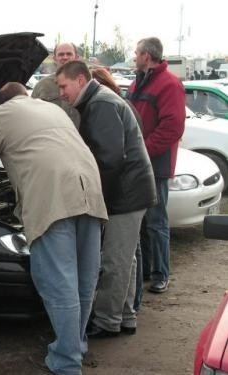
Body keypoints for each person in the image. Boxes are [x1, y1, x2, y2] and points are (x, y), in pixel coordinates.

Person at [0, 81, 107, 374]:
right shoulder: (52, 109)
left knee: (59, 283)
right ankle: (77, 343)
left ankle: (66, 362)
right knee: (84, 279)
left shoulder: (1, 115)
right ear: (26, 94)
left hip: (52, 196)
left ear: (2, 102)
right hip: (91, 191)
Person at [56, 61, 157, 338]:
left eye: (63, 86)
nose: (61, 92)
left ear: (79, 80)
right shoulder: (99, 100)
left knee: (115, 261)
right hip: (131, 190)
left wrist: (94, 198)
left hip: (126, 194)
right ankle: (125, 316)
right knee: (126, 259)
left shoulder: (100, 104)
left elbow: (109, 159)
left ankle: (107, 322)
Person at [127, 37, 185, 294]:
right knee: (141, 222)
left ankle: (161, 273)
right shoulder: (136, 81)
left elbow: (173, 127)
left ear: (147, 56)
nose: (134, 56)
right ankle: (148, 269)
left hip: (156, 166)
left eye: (136, 52)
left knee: (156, 221)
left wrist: (143, 150)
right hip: (138, 163)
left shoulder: (169, 84)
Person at [31, 42, 81, 127]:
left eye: (69, 54)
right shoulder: (42, 86)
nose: (65, 57)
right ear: (54, 58)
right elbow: (32, 116)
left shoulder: (85, 84)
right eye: (61, 54)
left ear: (76, 57)